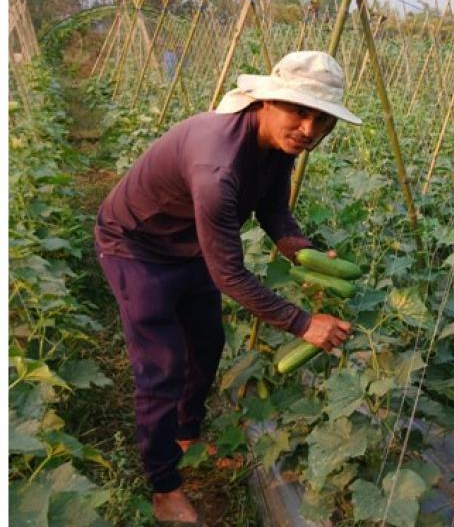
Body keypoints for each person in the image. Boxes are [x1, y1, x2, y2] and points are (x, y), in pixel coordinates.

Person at [94, 51, 362, 524]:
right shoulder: (218, 167)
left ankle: (186, 434)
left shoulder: (277, 145)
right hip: (137, 247)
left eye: (322, 119)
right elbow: (229, 276)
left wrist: (303, 253)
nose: (309, 129)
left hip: (191, 245)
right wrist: (303, 324)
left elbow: (273, 209)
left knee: (207, 342)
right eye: (299, 111)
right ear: (267, 101)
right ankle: (163, 486)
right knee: (163, 366)